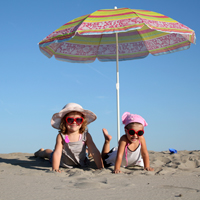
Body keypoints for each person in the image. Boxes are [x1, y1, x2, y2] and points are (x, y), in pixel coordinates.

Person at [34, 103, 104, 172]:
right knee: (50, 154)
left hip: (81, 161)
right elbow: (58, 153)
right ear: (64, 122)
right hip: (63, 161)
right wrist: (55, 168)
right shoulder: (61, 136)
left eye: (78, 120)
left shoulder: (86, 135)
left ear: (83, 122)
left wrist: (100, 167)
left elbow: (94, 151)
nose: (74, 122)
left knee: (88, 151)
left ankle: (87, 151)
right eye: (70, 120)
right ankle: (41, 152)